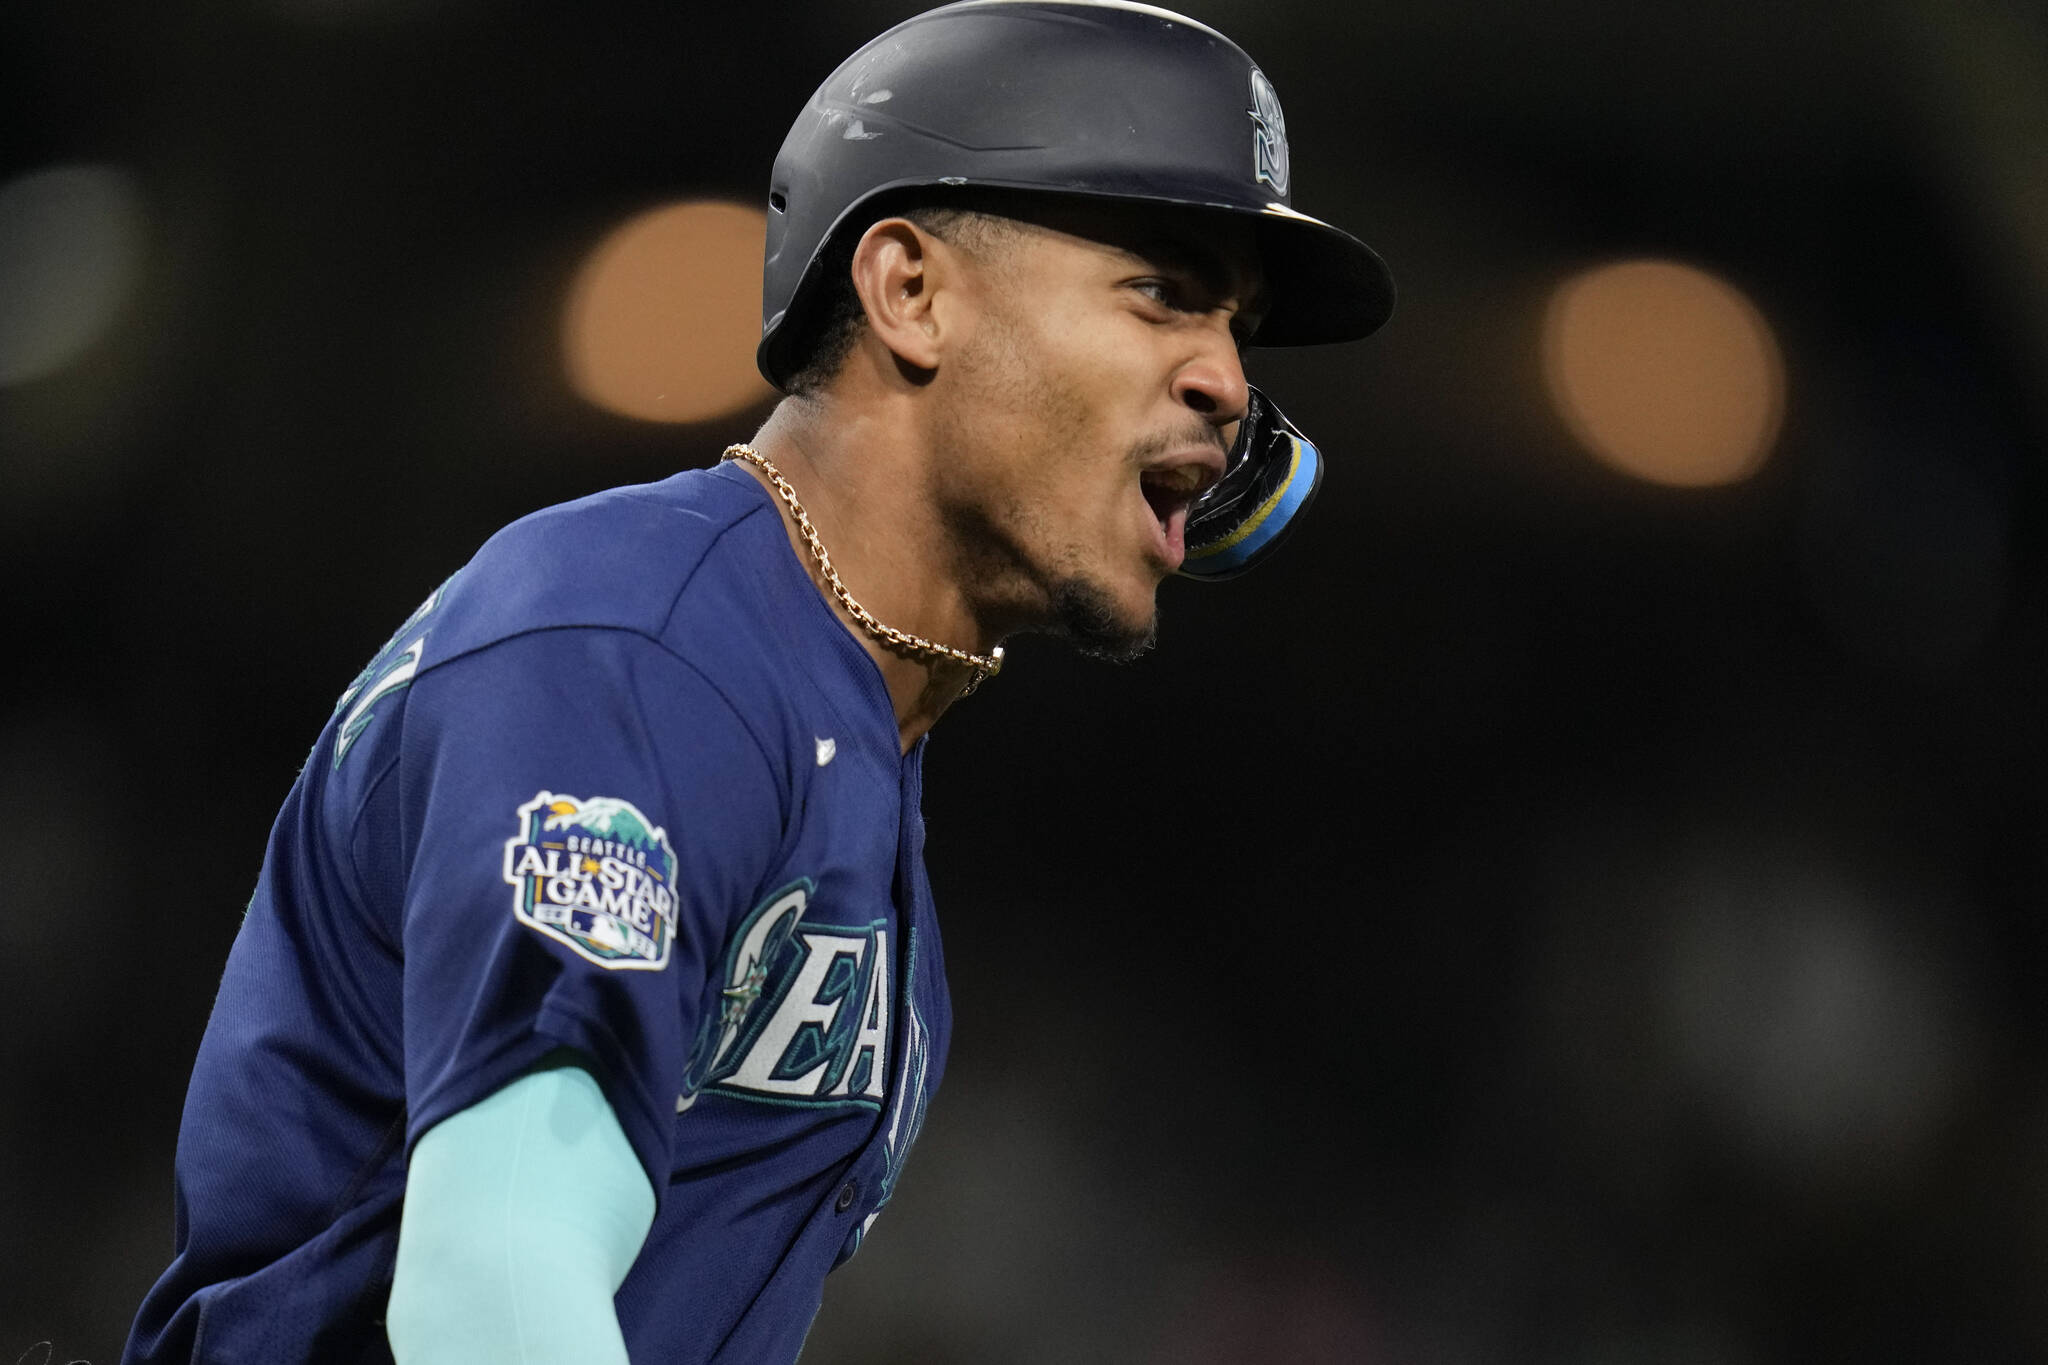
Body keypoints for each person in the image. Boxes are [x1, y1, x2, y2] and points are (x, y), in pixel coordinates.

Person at [120, 2, 1394, 1361]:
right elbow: (490, 1285)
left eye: (1239, 330)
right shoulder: (633, 646)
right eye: (1164, 292)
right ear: (910, 291)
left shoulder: (845, 730)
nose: (1227, 381)